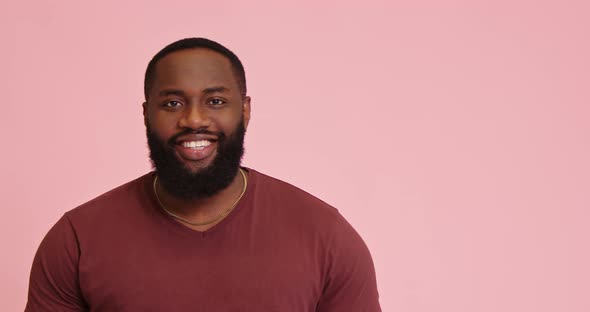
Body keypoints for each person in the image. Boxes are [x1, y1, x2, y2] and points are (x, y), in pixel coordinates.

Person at [25, 37, 381, 311]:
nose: (193, 119)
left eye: (215, 101)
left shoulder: (325, 236)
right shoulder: (77, 239)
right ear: (147, 114)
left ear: (244, 111)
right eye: (172, 103)